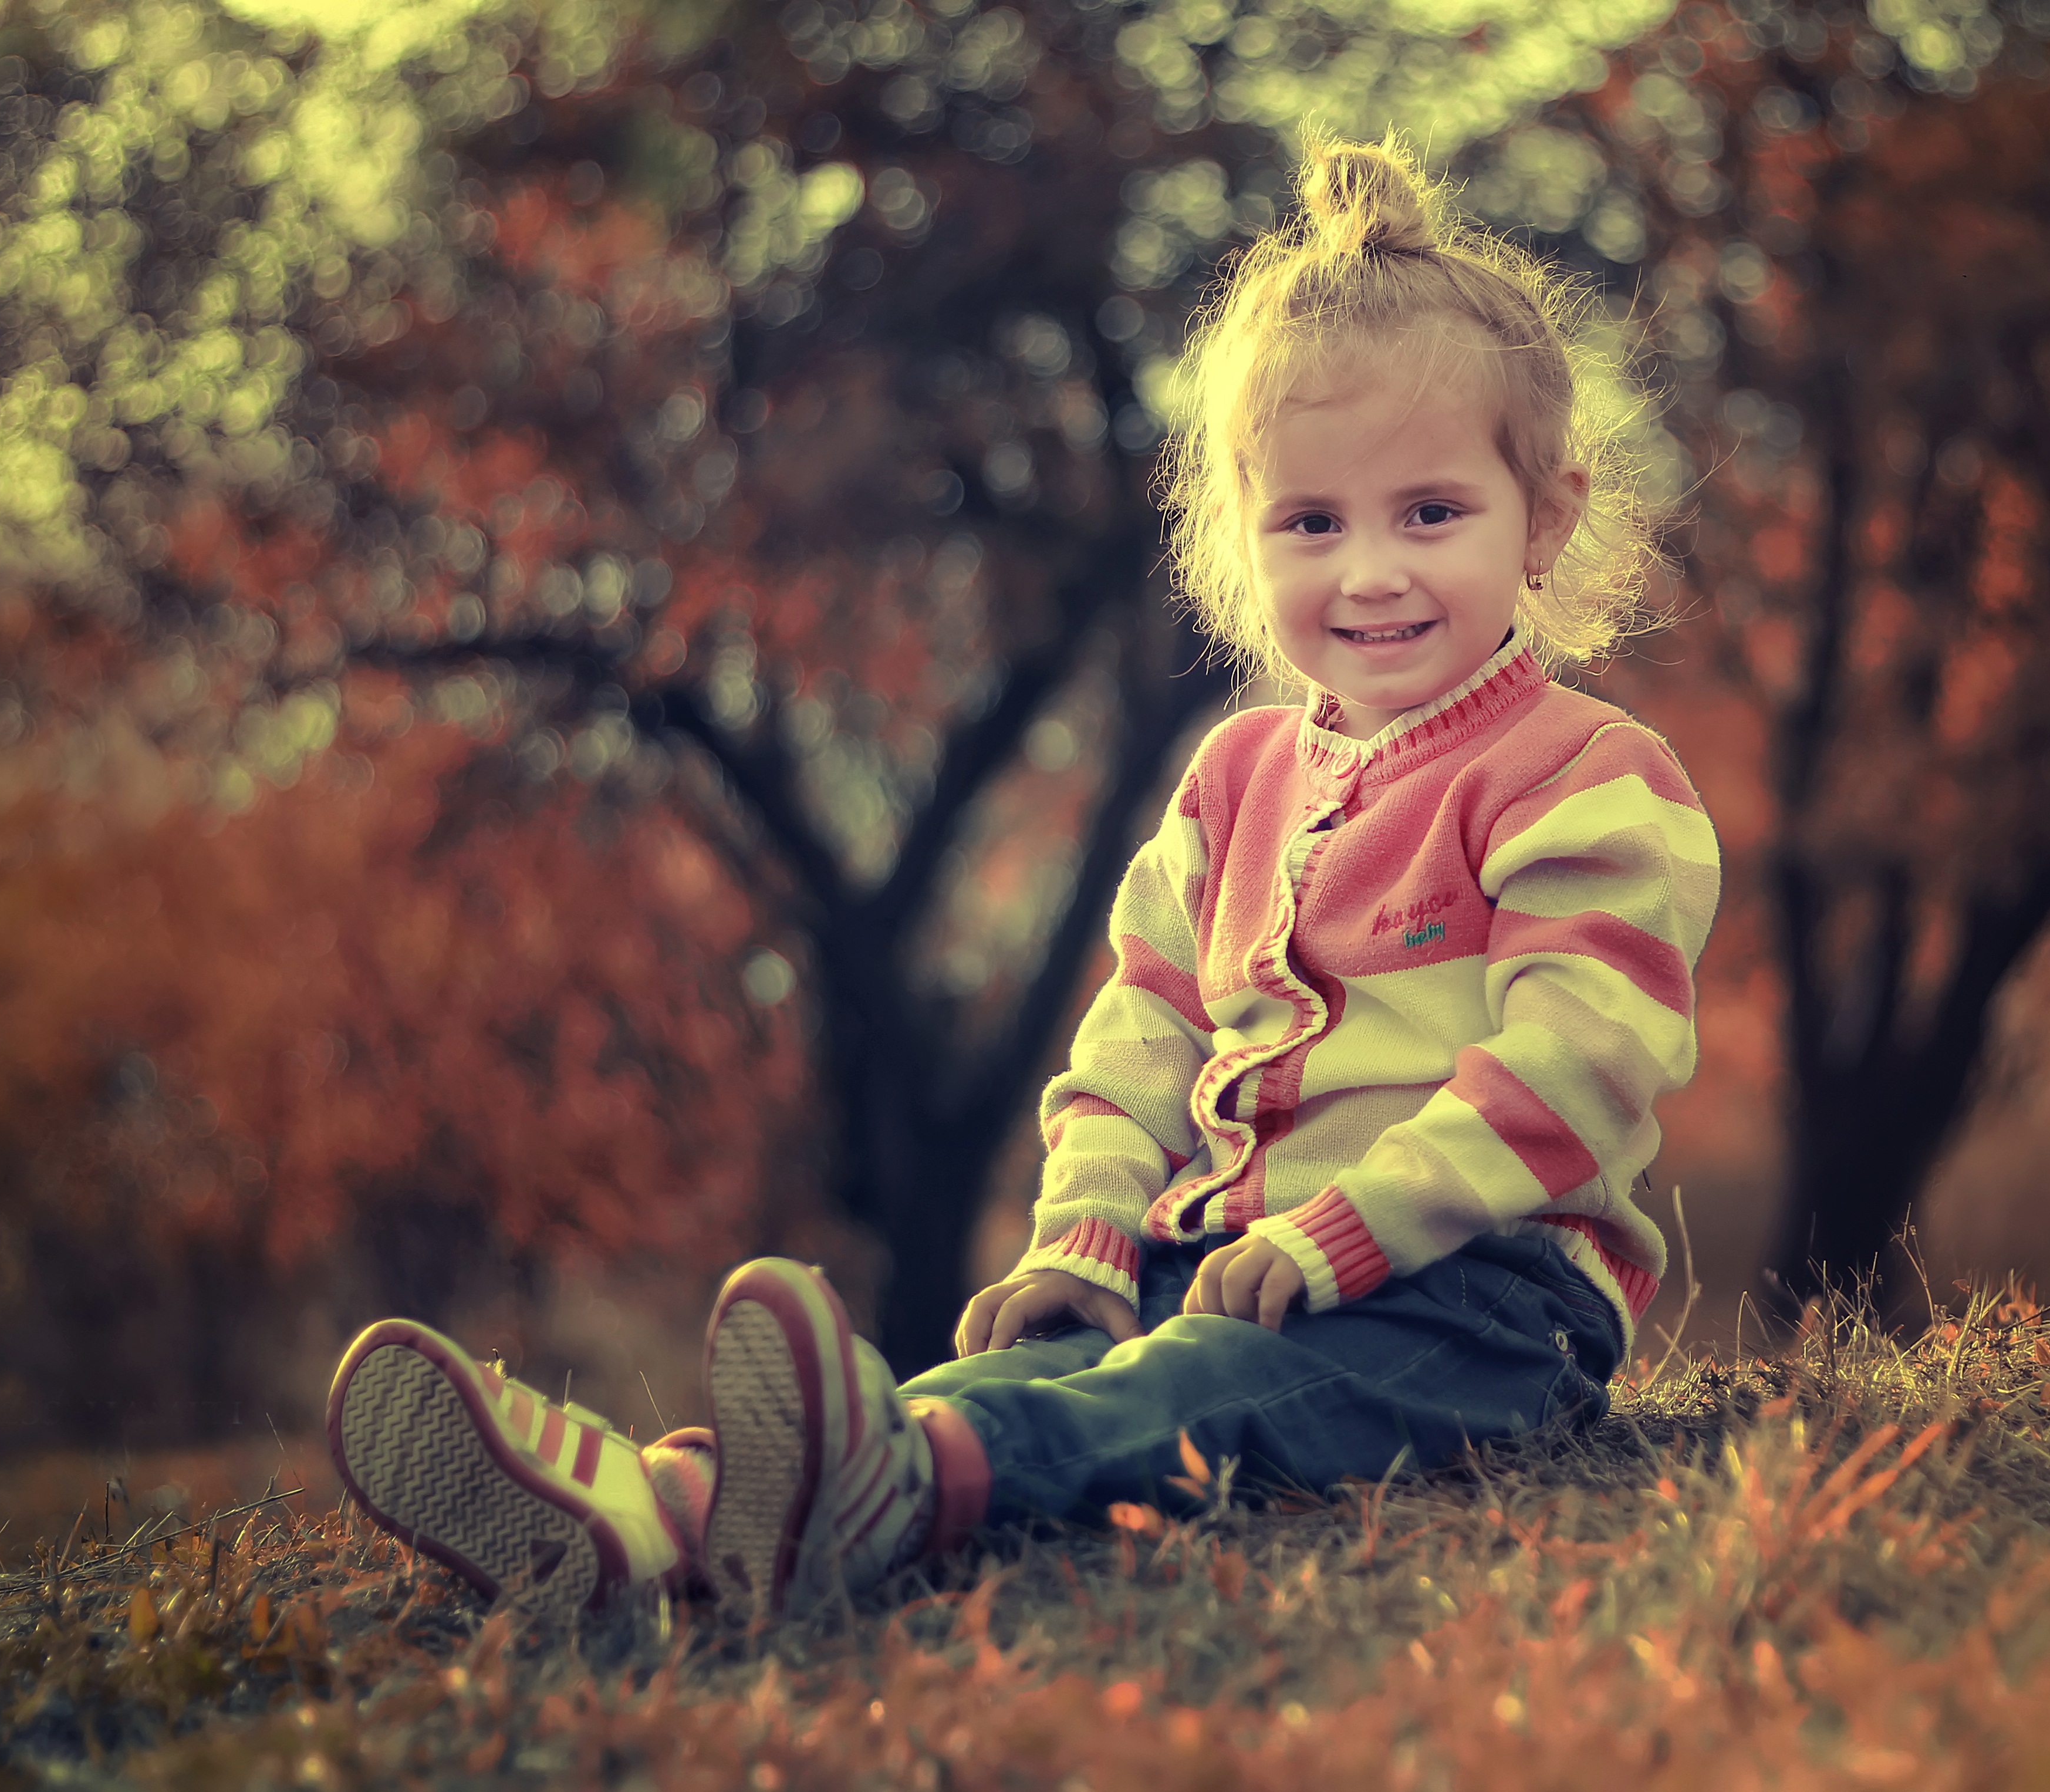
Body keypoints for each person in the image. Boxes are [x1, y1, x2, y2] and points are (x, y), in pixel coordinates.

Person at [325, 133, 1721, 1631]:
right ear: (1244, 542)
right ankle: (651, 1515)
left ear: (1547, 517)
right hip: (1225, 1269)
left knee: (1191, 1393)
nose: (1369, 572)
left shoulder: (1582, 776)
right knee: (1024, 1372)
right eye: (1312, 524)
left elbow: (1579, 1059)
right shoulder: (1236, 779)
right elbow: (1139, 1038)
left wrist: (1353, 1225)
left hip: (1477, 1303)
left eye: (1429, 514)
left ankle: (894, 1496)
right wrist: (1089, 1238)